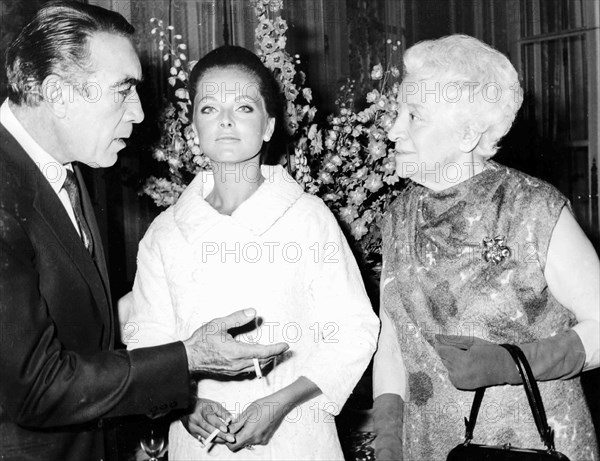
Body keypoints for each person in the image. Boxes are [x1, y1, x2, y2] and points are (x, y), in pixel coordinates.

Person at [0, 3, 288, 461]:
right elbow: (36, 388)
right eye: (123, 91)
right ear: (57, 93)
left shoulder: (69, 171)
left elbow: (76, 329)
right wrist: (188, 359)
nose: (138, 114)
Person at [119, 45, 379, 460]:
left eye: (242, 107)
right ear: (192, 129)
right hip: (202, 445)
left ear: (269, 126)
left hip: (296, 436)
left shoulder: (307, 218)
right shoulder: (166, 233)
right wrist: (182, 403)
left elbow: (354, 330)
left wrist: (278, 404)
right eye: (208, 109)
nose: (225, 120)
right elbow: (148, 341)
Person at [373, 34, 599, 460]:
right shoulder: (397, 217)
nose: (393, 130)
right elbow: (392, 343)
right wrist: (388, 438)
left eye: (413, 116)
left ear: (467, 132)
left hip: (531, 446)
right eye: (397, 113)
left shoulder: (532, 209)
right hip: (427, 447)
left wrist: (512, 364)